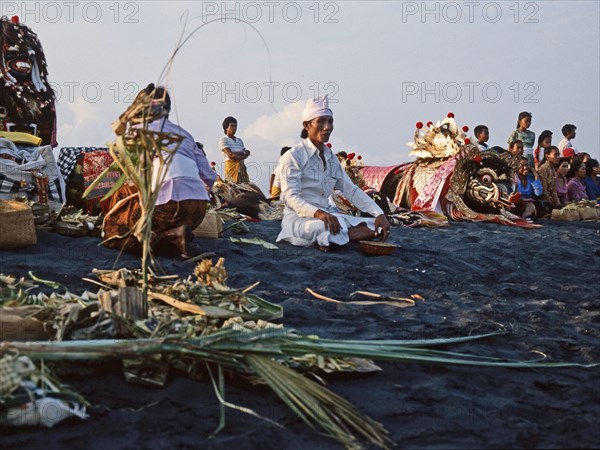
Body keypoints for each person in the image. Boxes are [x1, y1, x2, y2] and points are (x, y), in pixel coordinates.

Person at [103, 85, 216, 258]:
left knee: (114, 233)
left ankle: (173, 235)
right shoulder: (186, 135)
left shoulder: (140, 131)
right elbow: (209, 176)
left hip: (166, 206)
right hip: (198, 209)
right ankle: (179, 234)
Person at [276, 95, 390, 251]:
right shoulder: (293, 157)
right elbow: (291, 198)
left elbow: (351, 190)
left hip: (330, 217)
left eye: (330, 121)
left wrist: (379, 213)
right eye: (321, 121)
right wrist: (318, 213)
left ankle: (340, 237)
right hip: (301, 220)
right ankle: (341, 236)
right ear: (307, 125)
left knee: (374, 224)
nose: (327, 127)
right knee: (323, 228)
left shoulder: (331, 158)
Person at [219, 116, 250, 183]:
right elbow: (230, 155)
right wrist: (243, 153)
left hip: (242, 170)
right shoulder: (223, 140)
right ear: (226, 128)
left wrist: (236, 155)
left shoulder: (239, 140)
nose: (234, 128)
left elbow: (245, 155)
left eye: (235, 126)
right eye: (232, 126)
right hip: (231, 170)